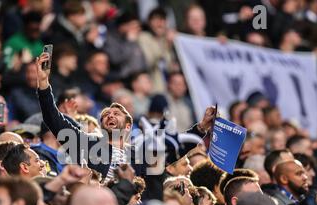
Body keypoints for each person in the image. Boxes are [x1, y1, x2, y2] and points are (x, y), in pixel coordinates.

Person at [35, 52, 215, 180]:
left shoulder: (140, 154)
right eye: (106, 115)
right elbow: (53, 119)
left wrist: (201, 128)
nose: (110, 115)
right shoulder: (86, 144)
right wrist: (43, 84)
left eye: (116, 113)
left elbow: (175, 150)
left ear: (128, 126)